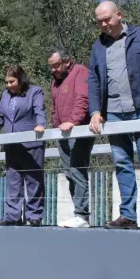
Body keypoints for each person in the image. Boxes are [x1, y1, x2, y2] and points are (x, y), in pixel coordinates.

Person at [88, 1, 140, 230]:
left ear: (119, 15)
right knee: (122, 163)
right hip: (113, 113)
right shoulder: (98, 46)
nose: (104, 24)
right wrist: (95, 112)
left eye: (107, 19)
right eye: (100, 21)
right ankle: (128, 216)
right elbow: (93, 81)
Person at [0, 65, 46, 227]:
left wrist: (40, 125)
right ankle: (13, 216)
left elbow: (39, 110)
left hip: (32, 145)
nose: (8, 85)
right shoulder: (5, 95)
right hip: (12, 146)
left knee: (34, 181)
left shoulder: (35, 91)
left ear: (21, 79)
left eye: (12, 81)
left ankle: (34, 215)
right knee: (13, 182)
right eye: (6, 82)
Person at [47, 47, 94, 228]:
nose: (53, 70)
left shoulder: (80, 72)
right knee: (69, 173)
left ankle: (82, 215)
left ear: (67, 61)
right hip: (62, 134)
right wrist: (55, 124)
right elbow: (54, 107)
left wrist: (73, 122)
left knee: (77, 170)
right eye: (51, 67)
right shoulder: (55, 81)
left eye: (56, 66)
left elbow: (83, 99)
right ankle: (78, 214)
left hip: (78, 131)